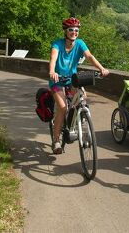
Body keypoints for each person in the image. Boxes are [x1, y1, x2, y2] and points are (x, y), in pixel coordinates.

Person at [49, 17, 109, 154]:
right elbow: (53, 58)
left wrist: (101, 68)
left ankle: (80, 121)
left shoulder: (80, 43)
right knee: (63, 108)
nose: (74, 32)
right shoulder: (57, 44)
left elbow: (89, 57)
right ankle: (56, 140)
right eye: (71, 30)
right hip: (57, 80)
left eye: (76, 30)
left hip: (72, 79)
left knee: (83, 97)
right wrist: (52, 71)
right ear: (65, 31)